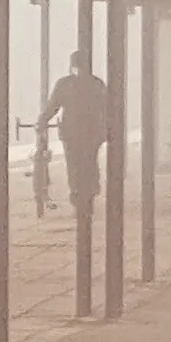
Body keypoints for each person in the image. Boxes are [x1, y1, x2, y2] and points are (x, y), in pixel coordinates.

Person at [45, 49, 114, 217]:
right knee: (88, 164)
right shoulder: (97, 84)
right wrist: (107, 130)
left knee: (75, 166)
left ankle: (80, 198)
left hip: (72, 133)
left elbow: (53, 106)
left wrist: (42, 121)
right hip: (91, 133)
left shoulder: (65, 84)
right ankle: (88, 196)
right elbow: (107, 109)